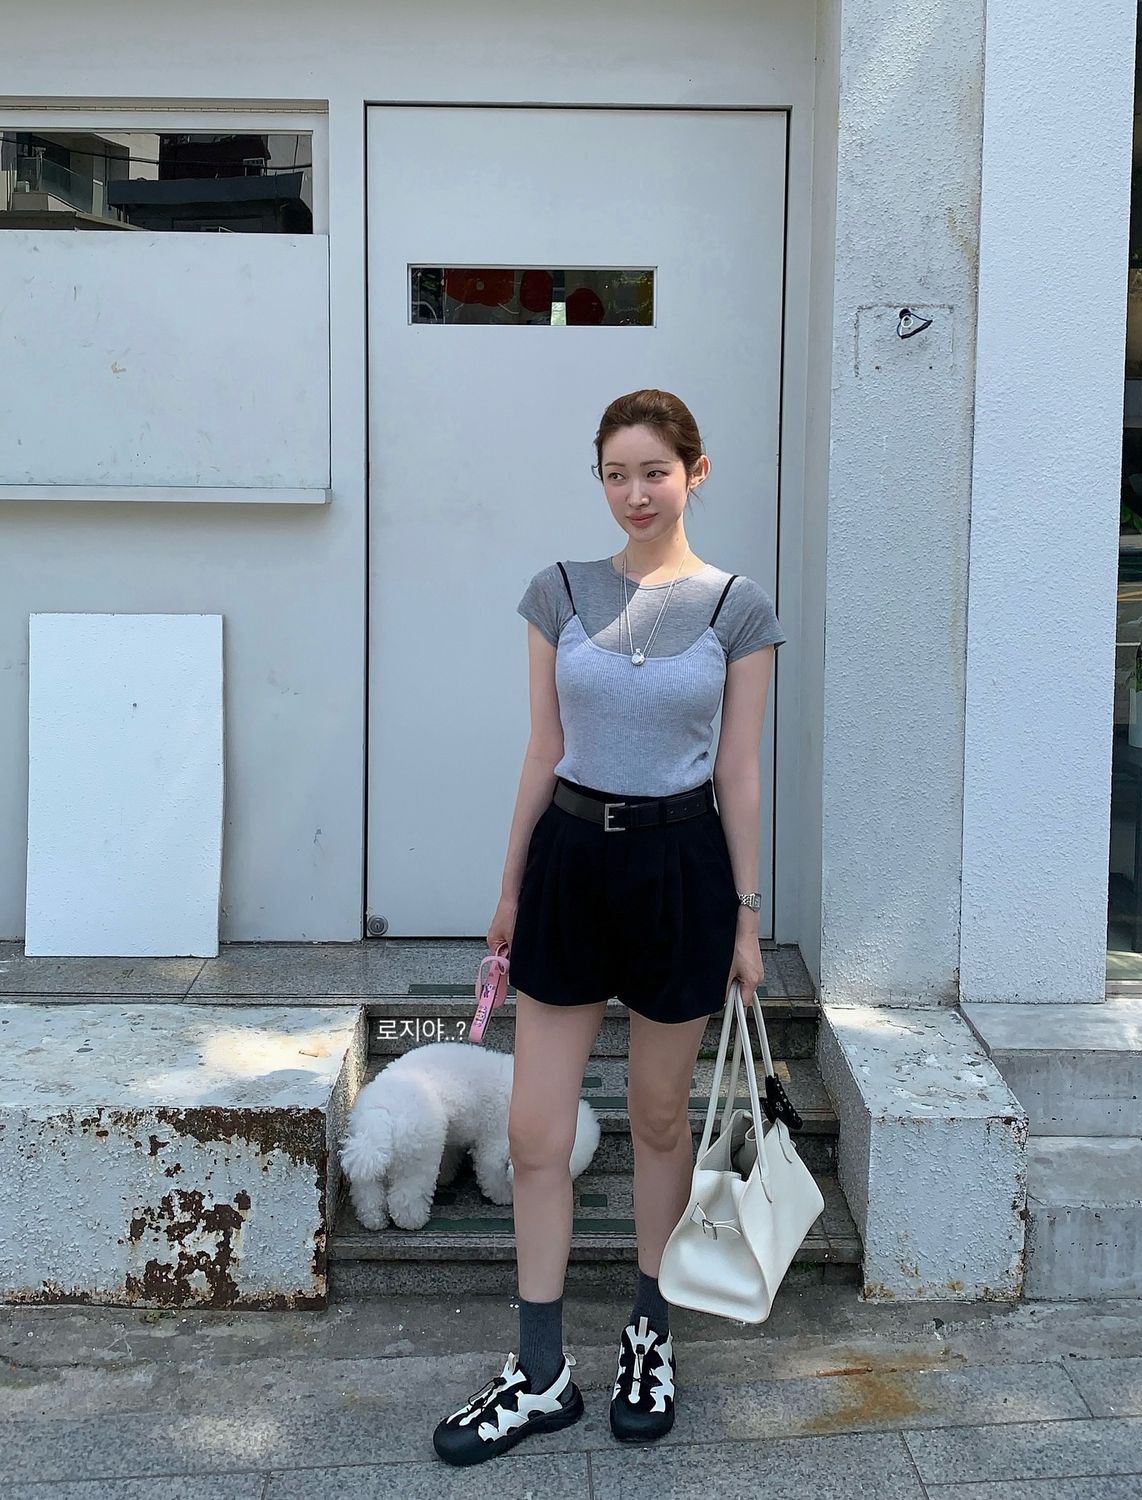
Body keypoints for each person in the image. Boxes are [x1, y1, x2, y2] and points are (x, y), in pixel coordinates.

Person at [432, 388, 786, 1467]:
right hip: (571, 862)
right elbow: (544, 747)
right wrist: (507, 892)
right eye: (616, 474)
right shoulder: (560, 591)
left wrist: (746, 917)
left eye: (655, 473)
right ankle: (541, 1373)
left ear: (695, 474)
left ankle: (650, 1332)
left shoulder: (737, 609)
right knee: (536, 1131)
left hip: (682, 868)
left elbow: (739, 772)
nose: (636, 493)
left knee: (660, 1119)